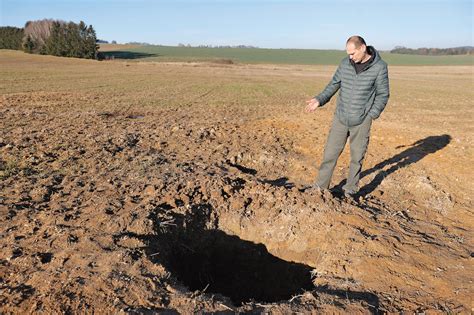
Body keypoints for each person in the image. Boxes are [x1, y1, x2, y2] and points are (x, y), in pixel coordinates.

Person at [305, 35, 390, 197]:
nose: (350, 57)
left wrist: (371, 115)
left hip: (361, 119)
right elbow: (334, 84)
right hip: (341, 117)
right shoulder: (345, 64)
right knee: (330, 154)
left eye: (353, 53)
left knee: (356, 157)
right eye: (348, 54)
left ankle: (350, 190)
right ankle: (320, 187)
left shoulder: (379, 67)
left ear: (362, 48)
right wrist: (319, 99)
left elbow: (383, 94)